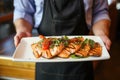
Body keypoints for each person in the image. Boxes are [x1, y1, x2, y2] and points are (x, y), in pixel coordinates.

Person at [13, 0, 111, 80]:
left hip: (82, 62)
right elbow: (23, 11)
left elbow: (100, 12)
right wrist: (23, 30)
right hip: (44, 61)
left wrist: (101, 33)